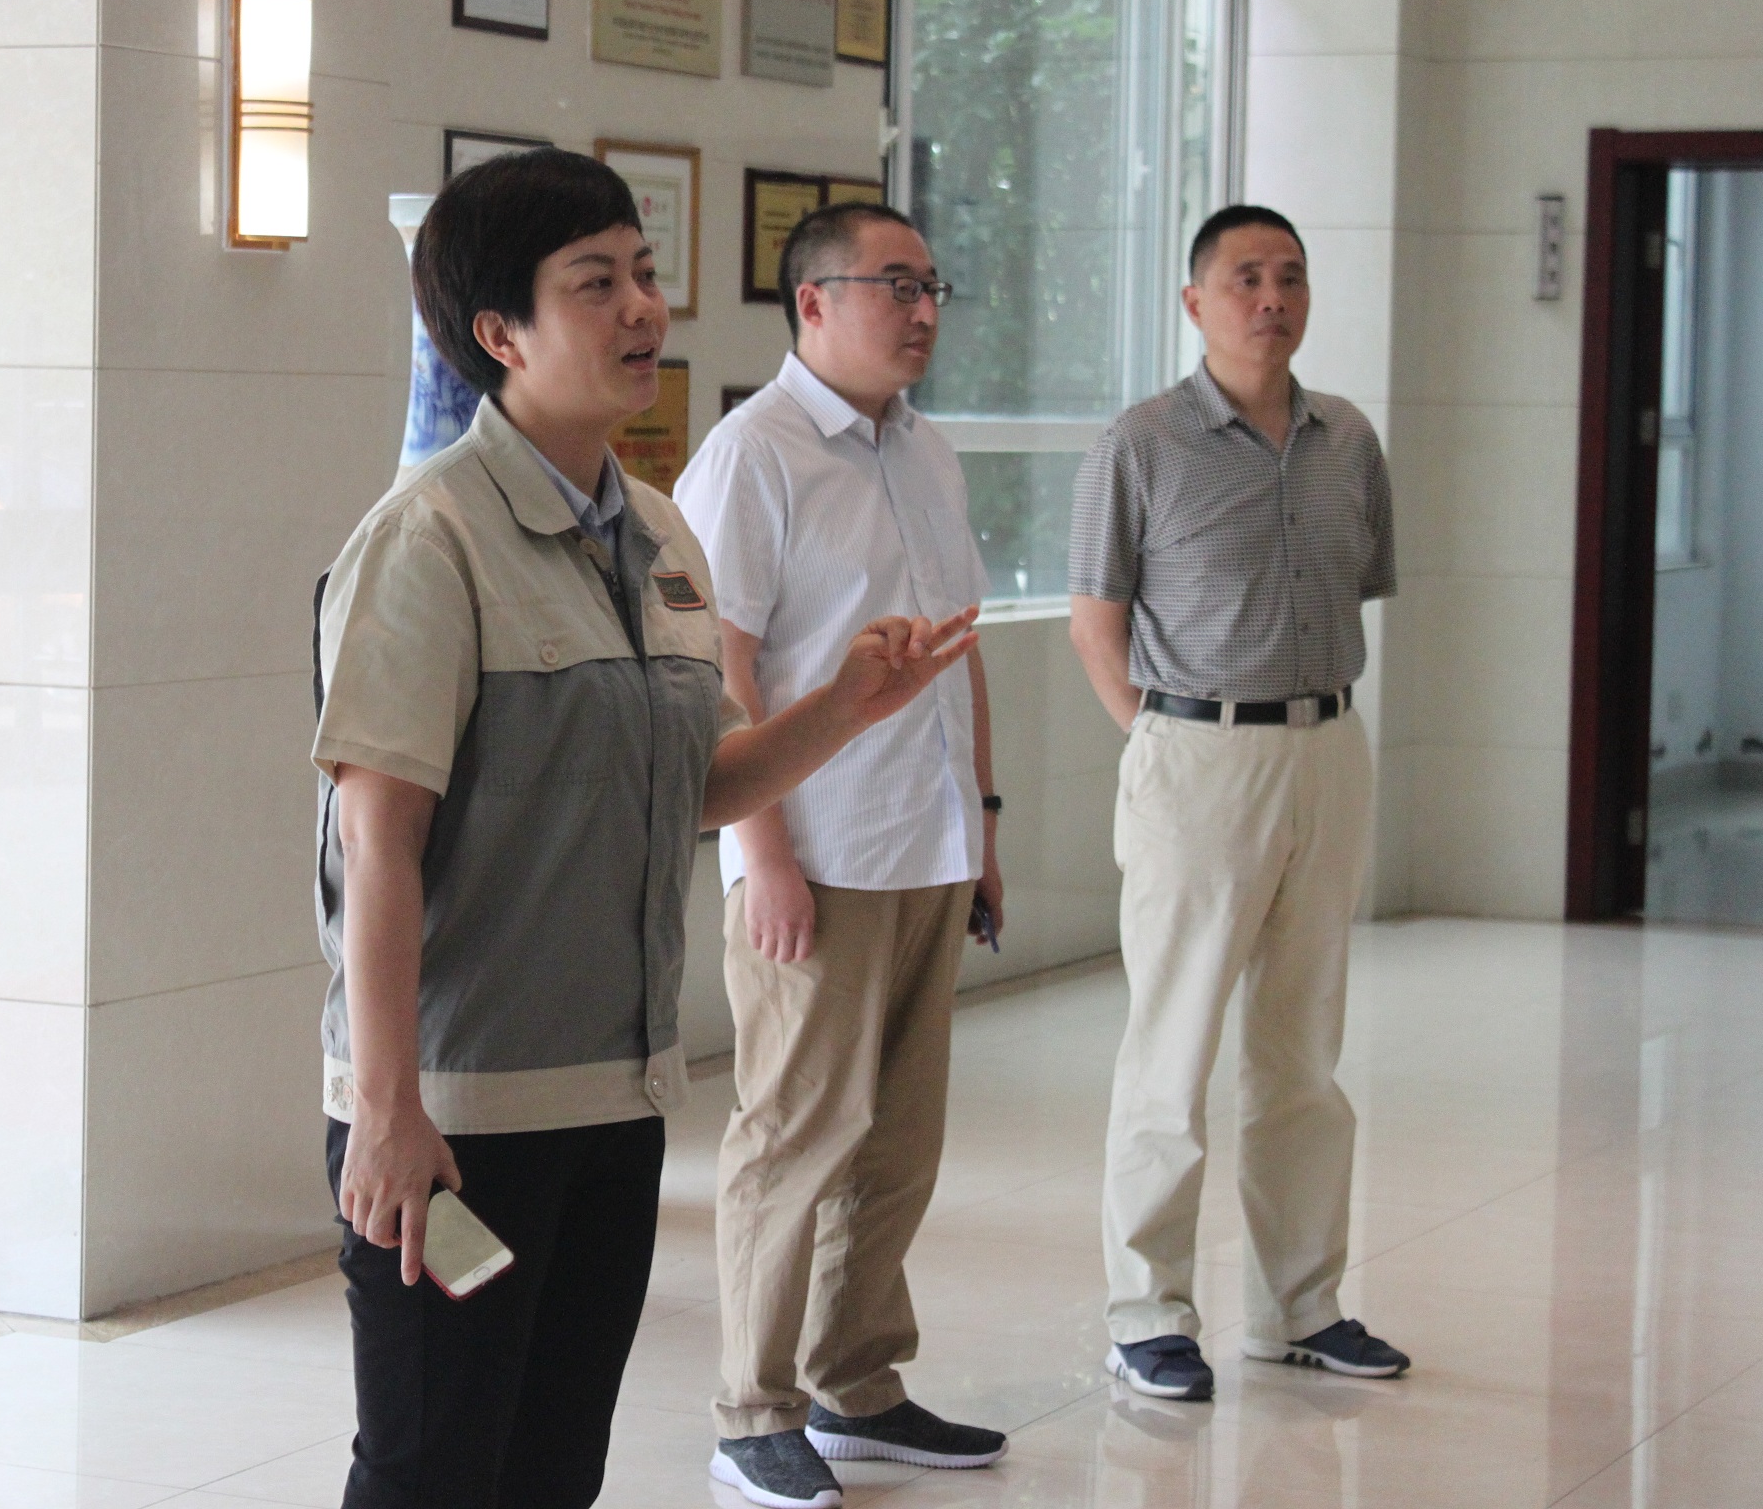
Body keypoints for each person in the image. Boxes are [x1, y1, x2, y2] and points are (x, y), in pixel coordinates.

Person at [310, 149, 981, 1509]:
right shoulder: (429, 539)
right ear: (501, 333)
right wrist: (387, 1111)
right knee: (434, 1470)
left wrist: (844, 707)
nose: (641, 311)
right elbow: (376, 846)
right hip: (464, 1117)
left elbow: (698, 790)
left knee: (556, 1467)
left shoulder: (659, 533)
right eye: (594, 284)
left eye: (645, 273)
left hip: (615, 1103)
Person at [674, 201, 1007, 1509]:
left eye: (932, 288)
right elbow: (721, 670)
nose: (923, 311)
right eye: (895, 287)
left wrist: (984, 824)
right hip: (816, 852)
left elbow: (957, 651)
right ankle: (751, 1413)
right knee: (794, 1137)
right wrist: (761, 852)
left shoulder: (926, 451)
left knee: (897, 1143)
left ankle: (856, 1384)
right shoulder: (752, 456)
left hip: (926, 840)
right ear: (813, 303)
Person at [1066, 204, 1409, 1403]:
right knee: (1172, 1051)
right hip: (1196, 756)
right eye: (1247, 277)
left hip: (1329, 749)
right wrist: (1163, 740)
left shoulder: (1348, 438)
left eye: (1291, 278)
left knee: (1304, 1051)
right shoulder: (1142, 442)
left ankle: (1300, 1307)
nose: (1273, 298)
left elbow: (1363, 585)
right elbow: (1096, 623)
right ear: (1195, 302)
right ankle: (1148, 1315)